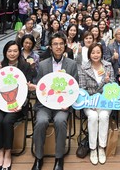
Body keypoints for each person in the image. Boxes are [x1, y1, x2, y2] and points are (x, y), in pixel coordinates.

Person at [31, 32, 79, 170]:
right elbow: (39, 85)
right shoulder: (43, 64)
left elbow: (74, 88)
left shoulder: (72, 64)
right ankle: (38, 158)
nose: (58, 47)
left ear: (65, 45)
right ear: (50, 47)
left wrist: (68, 103)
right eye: (55, 44)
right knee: (41, 121)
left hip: (63, 105)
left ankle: (59, 158)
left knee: (60, 121)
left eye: (61, 44)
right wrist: (34, 87)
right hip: (44, 104)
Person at [0, 40, 34, 170]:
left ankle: (8, 154)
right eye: (9, 51)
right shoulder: (1, 64)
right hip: (1, 103)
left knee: (7, 121)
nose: (12, 53)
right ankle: (0, 154)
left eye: (15, 51)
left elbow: (26, 89)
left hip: (18, 103)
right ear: (5, 52)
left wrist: (21, 103)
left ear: (19, 52)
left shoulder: (25, 66)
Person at [79, 43, 115, 165]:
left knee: (104, 116)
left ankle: (101, 147)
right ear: (89, 54)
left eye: (98, 52)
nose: (95, 55)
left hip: (105, 101)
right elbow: (82, 89)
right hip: (89, 102)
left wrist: (108, 81)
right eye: (93, 52)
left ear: (102, 53)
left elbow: (113, 86)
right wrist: (90, 102)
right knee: (93, 117)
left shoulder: (108, 65)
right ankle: (93, 148)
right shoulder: (84, 68)